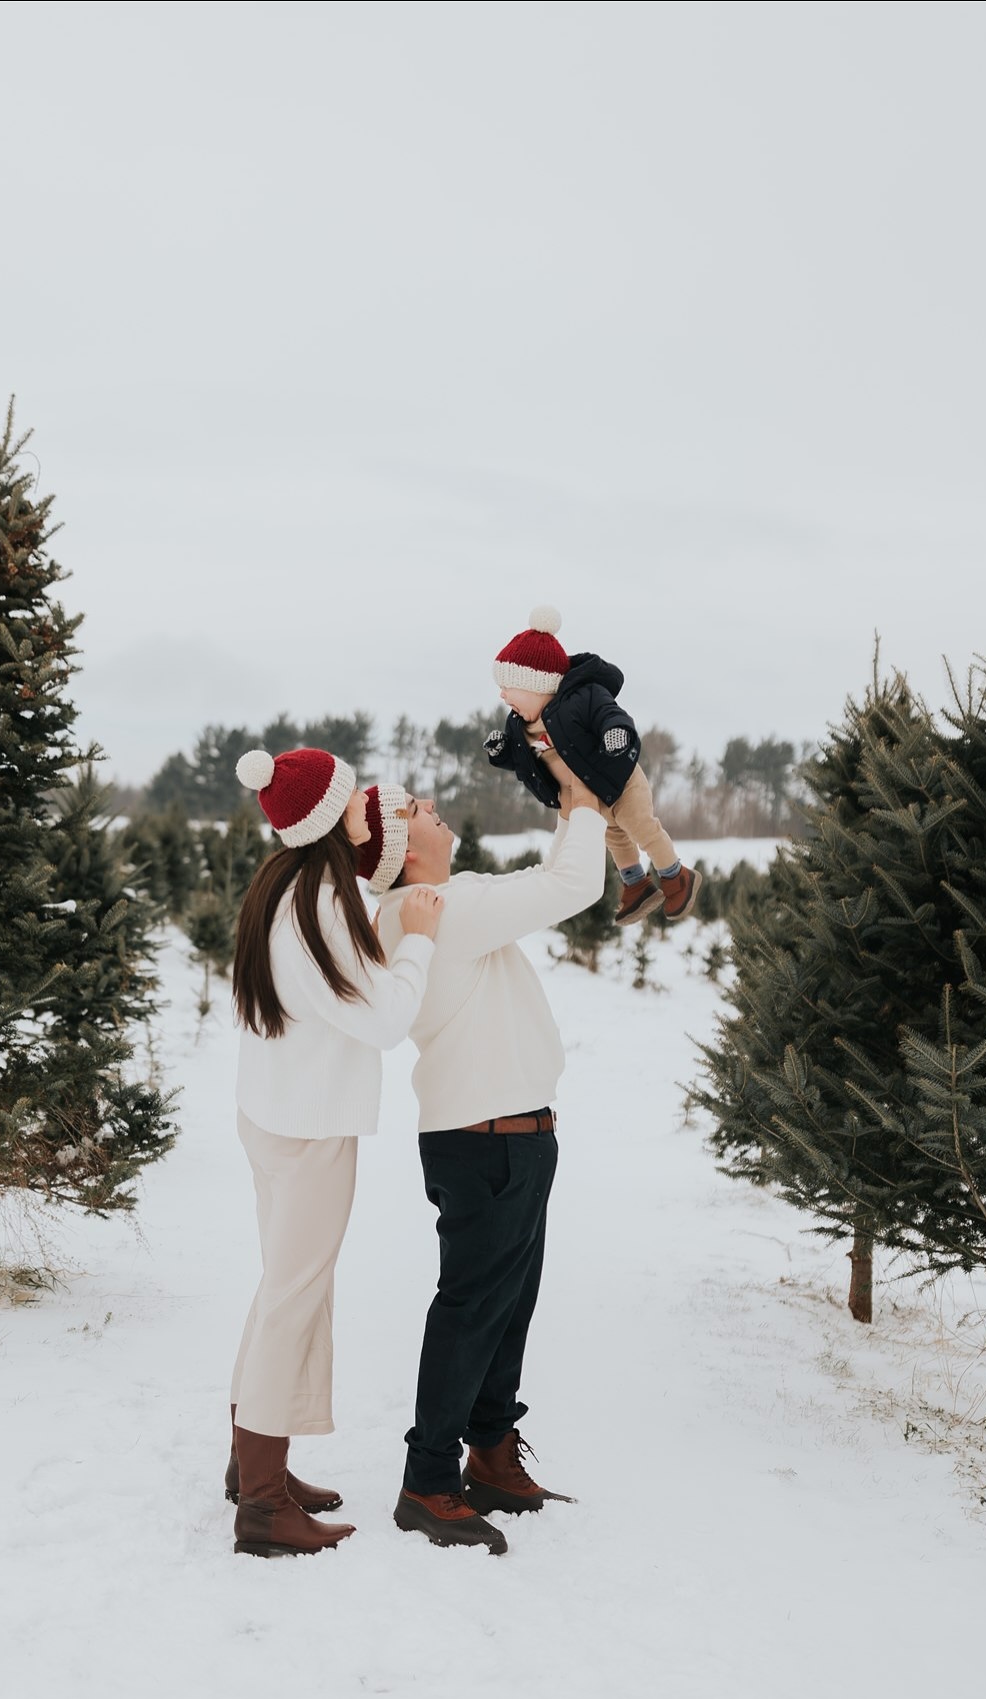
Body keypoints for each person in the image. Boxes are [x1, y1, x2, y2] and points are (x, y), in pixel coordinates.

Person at [371, 772, 610, 1554]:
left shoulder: (442, 902)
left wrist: (568, 810)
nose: (432, 808)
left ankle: (491, 1457)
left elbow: (541, 880)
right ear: (404, 850)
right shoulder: (438, 909)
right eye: (416, 811)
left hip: (506, 1136)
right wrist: (584, 800)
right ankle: (427, 1481)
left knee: (504, 1307)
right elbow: (572, 884)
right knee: (474, 1310)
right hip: (488, 1139)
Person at [227, 745, 444, 1558]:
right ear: (325, 817)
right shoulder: (320, 905)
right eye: (352, 797)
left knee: (282, 1291)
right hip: (308, 1128)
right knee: (293, 1298)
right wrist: (417, 940)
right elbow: (383, 1021)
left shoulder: (283, 886)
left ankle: (253, 1465)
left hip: (274, 1116)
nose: (365, 806)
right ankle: (261, 1506)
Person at [485, 606, 701, 925]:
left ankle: (676, 875)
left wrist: (615, 733)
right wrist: (502, 751)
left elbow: (609, 715)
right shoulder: (518, 725)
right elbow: (523, 761)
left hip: (619, 781)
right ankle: (636, 885)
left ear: (536, 683)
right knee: (614, 838)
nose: (502, 695)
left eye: (507, 686)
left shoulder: (582, 697)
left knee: (640, 827)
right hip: (590, 797)